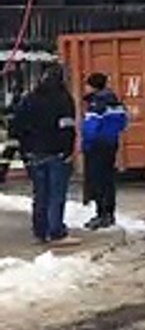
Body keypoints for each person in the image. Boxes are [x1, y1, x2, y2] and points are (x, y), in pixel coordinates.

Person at [12, 66, 79, 247]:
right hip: (56, 153)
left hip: (33, 153)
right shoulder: (63, 99)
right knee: (56, 194)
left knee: (40, 194)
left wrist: (25, 149)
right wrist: (67, 150)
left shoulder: (29, 99)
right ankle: (56, 231)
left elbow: (16, 127)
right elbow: (67, 127)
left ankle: (40, 232)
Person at [81, 73, 129, 230]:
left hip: (96, 146)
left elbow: (90, 128)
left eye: (87, 85)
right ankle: (109, 213)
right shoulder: (114, 102)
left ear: (93, 86)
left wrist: (85, 144)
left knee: (97, 180)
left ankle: (101, 214)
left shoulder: (97, 103)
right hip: (111, 144)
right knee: (108, 180)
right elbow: (123, 122)